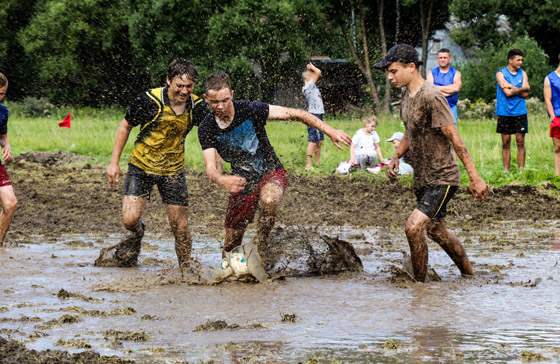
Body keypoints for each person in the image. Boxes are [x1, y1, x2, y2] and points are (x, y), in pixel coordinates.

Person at [198, 71, 351, 270]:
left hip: (271, 172)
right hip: (241, 182)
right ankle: (230, 273)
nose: (220, 106)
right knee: (231, 243)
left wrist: (330, 131)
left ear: (232, 95)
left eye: (225, 100)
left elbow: (297, 114)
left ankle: (262, 243)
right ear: (205, 99)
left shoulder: (251, 110)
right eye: (214, 102)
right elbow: (211, 169)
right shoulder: (206, 128)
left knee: (269, 199)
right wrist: (222, 179)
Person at [373, 43, 488, 282]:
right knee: (437, 230)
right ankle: (470, 275)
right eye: (388, 72)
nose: (390, 77)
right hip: (423, 176)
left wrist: (474, 177)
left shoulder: (432, 96)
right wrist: (396, 156)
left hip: (442, 176)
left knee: (413, 227)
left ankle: (419, 286)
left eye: (393, 71)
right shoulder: (406, 94)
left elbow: (454, 138)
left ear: (411, 67)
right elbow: (410, 131)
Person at [95, 59, 211, 272]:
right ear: (168, 81)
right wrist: (114, 163)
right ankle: (139, 233)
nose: (184, 91)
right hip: (141, 166)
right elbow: (125, 127)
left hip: (173, 171)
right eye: (179, 86)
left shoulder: (198, 107)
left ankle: (186, 269)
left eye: (189, 86)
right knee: (129, 220)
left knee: (181, 226)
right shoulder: (147, 101)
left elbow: (215, 130)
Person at [495, 48, 530, 173]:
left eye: (521, 60)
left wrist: (511, 86)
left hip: (520, 111)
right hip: (504, 112)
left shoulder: (523, 73)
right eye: (518, 60)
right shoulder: (500, 74)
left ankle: (521, 170)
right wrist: (522, 88)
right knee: (506, 141)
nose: (520, 62)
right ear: (510, 60)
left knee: (520, 141)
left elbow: (525, 94)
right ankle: (506, 170)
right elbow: (507, 93)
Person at [0, 73, 17, 247]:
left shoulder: (3, 111)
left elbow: (2, 136)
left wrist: (7, 146)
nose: (0, 98)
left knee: (11, 204)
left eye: (3, 94)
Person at [426, 48, 462, 122]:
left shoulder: (456, 73)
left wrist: (436, 88)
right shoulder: (431, 73)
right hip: (435, 107)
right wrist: (450, 90)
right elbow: (429, 89)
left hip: (451, 107)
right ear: (437, 58)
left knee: (451, 132)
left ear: (450, 58)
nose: (443, 60)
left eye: (445, 57)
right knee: (434, 132)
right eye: (440, 58)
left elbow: (456, 88)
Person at [302, 62, 325, 171]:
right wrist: (312, 68)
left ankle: (317, 162)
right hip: (314, 115)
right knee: (313, 141)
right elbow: (319, 72)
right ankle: (308, 165)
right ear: (310, 78)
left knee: (319, 141)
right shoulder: (308, 87)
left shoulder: (311, 87)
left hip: (318, 115)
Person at [543, 53, 560, 175]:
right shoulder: (550, 78)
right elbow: (547, 99)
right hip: (558, 116)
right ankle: (557, 174)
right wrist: (553, 117)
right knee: (558, 147)